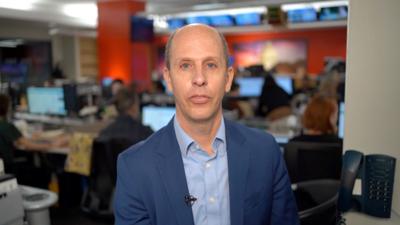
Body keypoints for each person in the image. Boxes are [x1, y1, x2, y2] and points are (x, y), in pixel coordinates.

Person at [114, 24, 299, 225]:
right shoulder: (135, 167)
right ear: (168, 79)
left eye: (210, 65)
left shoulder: (265, 151)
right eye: (185, 65)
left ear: (228, 79)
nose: (199, 79)